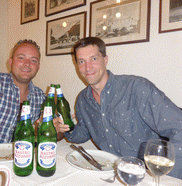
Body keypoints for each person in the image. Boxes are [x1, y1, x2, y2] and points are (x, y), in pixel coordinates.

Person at [56, 37, 182, 179]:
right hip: (110, 172)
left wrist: (161, 173)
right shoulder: (83, 100)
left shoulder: (137, 88)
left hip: (146, 174)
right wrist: (69, 127)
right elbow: (84, 133)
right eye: (81, 61)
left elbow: (179, 127)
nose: (88, 67)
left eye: (94, 59)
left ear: (105, 60)